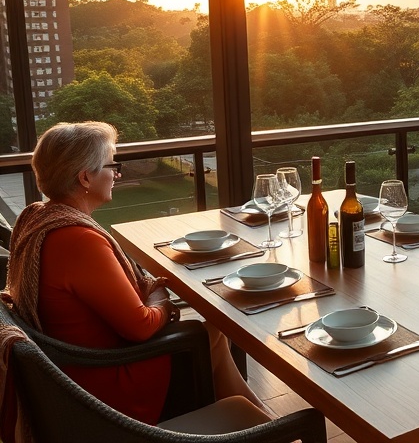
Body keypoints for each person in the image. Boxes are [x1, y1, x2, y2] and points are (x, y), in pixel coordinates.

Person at [1, 121, 269, 424]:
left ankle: (262, 422)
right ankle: (265, 425)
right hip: (107, 389)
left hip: (74, 370)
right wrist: (160, 298)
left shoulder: (39, 216)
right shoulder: (77, 239)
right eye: (112, 165)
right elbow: (140, 326)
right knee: (207, 334)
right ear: (85, 177)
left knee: (212, 335)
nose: (117, 173)